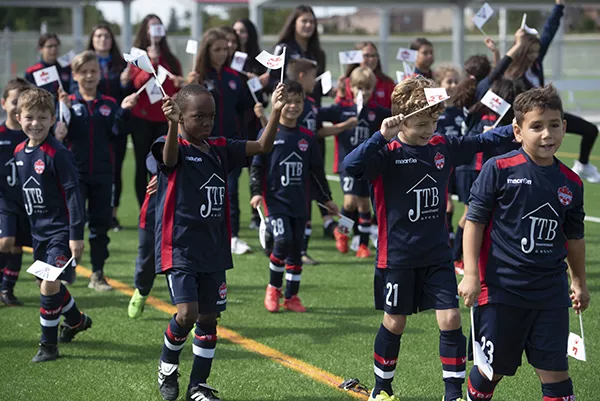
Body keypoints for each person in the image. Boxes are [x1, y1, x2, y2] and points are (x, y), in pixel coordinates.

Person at [342, 76, 515, 401]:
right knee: (395, 323)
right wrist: (380, 136)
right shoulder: (387, 152)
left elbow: (482, 141)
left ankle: (452, 394)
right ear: (401, 119)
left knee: (450, 318)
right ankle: (382, 388)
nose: (429, 129)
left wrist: (515, 128)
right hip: (398, 257)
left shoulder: (441, 147)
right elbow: (350, 167)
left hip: (437, 254)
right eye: (422, 122)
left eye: (433, 121)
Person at [154, 82, 287, 401]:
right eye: (198, 117)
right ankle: (167, 365)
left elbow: (263, 146)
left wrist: (276, 112)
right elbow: (169, 160)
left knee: (209, 318)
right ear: (181, 116)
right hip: (181, 247)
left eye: (211, 116)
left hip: (213, 250)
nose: (206, 123)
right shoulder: (172, 144)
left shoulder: (220, 148)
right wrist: (172, 126)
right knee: (186, 313)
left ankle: (197, 387)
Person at [458, 84, 590, 401]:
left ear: (565, 128)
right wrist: (472, 274)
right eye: (537, 126)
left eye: (554, 125)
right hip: (502, 291)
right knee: (491, 371)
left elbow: (574, 237)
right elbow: (473, 223)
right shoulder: (499, 169)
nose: (547, 134)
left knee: (557, 376)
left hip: (550, 294)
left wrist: (579, 281)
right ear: (517, 131)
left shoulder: (571, 182)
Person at [14, 88, 92, 362]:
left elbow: (73, 195)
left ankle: (48, 347)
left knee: (49, 284)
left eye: (42, 118)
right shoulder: (19, 151)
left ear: (52, 119)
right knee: (45, 284)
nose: (35, 123)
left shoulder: (58, 153)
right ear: (17, 117)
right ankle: (77, 320)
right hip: (38, 232)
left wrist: (75, 235)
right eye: (30, 117)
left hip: (60, 230)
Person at [250, 81, 337, 313]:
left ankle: (292, 297)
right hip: (276, 202)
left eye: (298, 102)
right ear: (278, 103)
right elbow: (257, 166)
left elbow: (316, 172)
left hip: (301, 203)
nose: (293, 106)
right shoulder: (269, 133)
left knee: (297, 249)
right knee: (283, 241)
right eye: (287, 101)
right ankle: (273, 289)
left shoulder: (307, 137)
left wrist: (327, 199)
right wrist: (256, 192)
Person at [56, 51, 138, 291]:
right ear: (75, 75)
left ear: (100, 73)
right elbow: (59, 137)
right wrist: (63, 111)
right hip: (74, 175)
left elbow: (118, 132)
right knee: (72, 222)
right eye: (84, 72)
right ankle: (65, 269)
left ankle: (98, 274)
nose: (89, 76)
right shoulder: (67, 102)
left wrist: (123, 111)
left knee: (100, 226)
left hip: (103, 174)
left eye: (93, 71)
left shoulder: (109, 104)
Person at [504, 0, 600, 183]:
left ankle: (583, 164)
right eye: (530, 53)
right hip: (527, 123)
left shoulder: (537, 65)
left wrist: (559, 6)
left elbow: (548, 33)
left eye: (536, 52)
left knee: (590, 130)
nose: (534, 56)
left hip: (547, 115)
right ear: (522, 52)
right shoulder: (514, 73)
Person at [188, 28, 254, 256]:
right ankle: (200, 234)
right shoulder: (198, 76)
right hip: (202, 144)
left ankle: (232, 236)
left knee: (231, 190)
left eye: (225, 50)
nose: (222, 54)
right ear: (206, 51)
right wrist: (188, 86)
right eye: (216, 50)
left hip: (230, 143)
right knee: (202, 191)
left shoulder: (234, 76)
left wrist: (256, 88)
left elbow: (246, 106)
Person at [319, 66, 390, 258]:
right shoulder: (343, 109)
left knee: (365, 205)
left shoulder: (376, 111)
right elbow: (318, 113)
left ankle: (363, 244)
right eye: (359, 87)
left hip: (368, 165)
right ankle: (342, 233)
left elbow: (394, 115)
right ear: (351, 88)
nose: (363, 92)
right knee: (350, 202)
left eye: (367, 88)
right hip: (347, 165)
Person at [454, 79, 522, 274]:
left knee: (485, 215)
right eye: (508, 97)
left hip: (487, 171)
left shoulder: (509, 120)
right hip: (471, 169)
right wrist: (484, 132)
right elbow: (469, 136)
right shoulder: (478, 114)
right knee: (471, 214)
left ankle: (480, 256)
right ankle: (456, 257)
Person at [284, 58, 342, 264]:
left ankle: (301, 251)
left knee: (307, 207)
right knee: (296, 209)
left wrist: (343, 126)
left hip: (310, 160)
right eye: (311, 76)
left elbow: (318, 130)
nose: (314, 81)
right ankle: (291, 250)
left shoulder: (309, 103)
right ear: (301, 76)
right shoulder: (292, 104)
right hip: (295, 163)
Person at [77, 23, 134, 231]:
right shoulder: (84, 64)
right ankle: (81, 214)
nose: (103, 39)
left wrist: (125, 83)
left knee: (114, 171)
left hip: (115, 122)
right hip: (90, 125)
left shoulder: (120, 65)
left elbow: (127, 93)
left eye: (107, 36)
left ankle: (112, 214)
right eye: (98, 35)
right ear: (92, 39)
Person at [130, 14, 183, 208]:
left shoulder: (170, 59)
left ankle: (163, 204)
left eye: (159, 27)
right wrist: (150, 62)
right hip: (141, 119)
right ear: (145, 31)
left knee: (164, 163)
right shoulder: (138, 57)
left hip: (165, 119)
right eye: (152, 27)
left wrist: (179, 86)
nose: (155, 31)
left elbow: (177, 86)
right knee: (141, 164)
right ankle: (143, 208)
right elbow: (137, 82)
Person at [233, 18, 270, 230]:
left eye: (243, 31)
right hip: (236, 121)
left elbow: (265, 93)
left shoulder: (258, 59)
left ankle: (257, 216)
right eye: (236, 31)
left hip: (254, 120)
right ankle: (233, 219)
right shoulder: (230, 60)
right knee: (234, 172)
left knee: (256, 168)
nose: (239, 35)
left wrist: (261, 82)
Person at [0, 78, 34, 306]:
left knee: (18, 244)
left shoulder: (32, 135)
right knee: (6, 241)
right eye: (14, 101)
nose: (17, 107)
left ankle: (7, 289)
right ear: (4, 104)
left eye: (22, 102)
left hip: (27, 200)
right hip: (3, 198)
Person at [433, 64, 462, 245]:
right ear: (439, 84)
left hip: (460, 162)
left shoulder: (462, 108)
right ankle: (448, 236)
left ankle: (449, 236)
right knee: (447, 202)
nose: (452, 85)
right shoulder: (437, 109)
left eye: (456, 82)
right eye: (448, 81)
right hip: (441, 161)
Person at [128, 157, 158, 318]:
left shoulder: (206, 149)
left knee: (185, 268)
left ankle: (201, 317)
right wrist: (165, 173)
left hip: (185, 220)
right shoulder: (163, 143)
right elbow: (152, 160)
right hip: (153, 217)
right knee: (147, 261)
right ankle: (142, 290)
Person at [335, 42, 396, 109]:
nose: (371, 59)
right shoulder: (347, 82)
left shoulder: (387, 83)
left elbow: (393, 110)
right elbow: (339, 112)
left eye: (374, 55)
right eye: (366, 55)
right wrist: (341, 93)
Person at [24, 33, 71, 99]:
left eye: (56, 46)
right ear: (40, 49)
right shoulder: (32, 71)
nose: (54, 49)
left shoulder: (67, 68)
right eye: (50, 46)